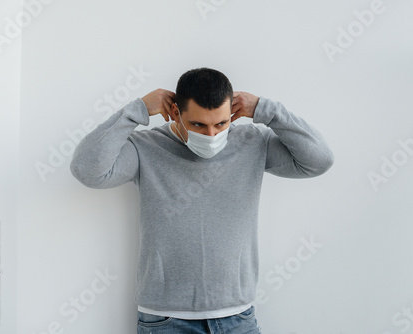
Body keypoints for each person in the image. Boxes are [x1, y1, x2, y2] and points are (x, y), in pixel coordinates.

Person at [70, 67, 334, 333]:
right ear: (175, 113)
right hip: (166, 320)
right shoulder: (146, 148)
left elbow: (318, 160)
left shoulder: (253, 143)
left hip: (237, 318)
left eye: (221, 124)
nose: (211, 135)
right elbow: (87, 169)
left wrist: (268, 110)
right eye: (198, 124)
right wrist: (136, 110)